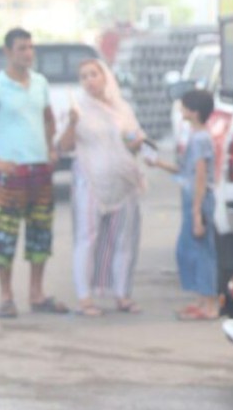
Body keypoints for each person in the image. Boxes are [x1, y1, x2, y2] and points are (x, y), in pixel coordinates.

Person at [0, 27, 69, 319]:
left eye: (30, 48)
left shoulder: (40, 83)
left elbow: (48, 119)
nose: (28, 53)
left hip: (39, 170)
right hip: (11, 173)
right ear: (8, 52)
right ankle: (6, 296)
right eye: (22, 48)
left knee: (40, 234)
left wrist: (50, 149)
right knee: (5, 236)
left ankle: (37, 293)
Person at [57, 59, 144, 317]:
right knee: (87, 239)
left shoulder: (122, 109)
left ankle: (122, 294)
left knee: (124, 241)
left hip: (122, 183)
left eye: (93, 74)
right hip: (90, 182)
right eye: (83, 76)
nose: (89, 80)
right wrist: (72, 123)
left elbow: (133, 140)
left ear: (105, 77)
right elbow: (63, 146)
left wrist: (135, 142)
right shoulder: (78, 110)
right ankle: (85, 298)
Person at [147, 89, 218, 321]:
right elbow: (185, 170)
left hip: (199, 199)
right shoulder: (196, 136)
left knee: (201, 252)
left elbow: (200, 176)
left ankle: (209, 304)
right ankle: (201, 300)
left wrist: (197, 212)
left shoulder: (200, 139)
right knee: (192, 250)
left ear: (194, 112)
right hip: (193, 198)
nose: (181, 109)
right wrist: (158, 163)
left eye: (185, 106)